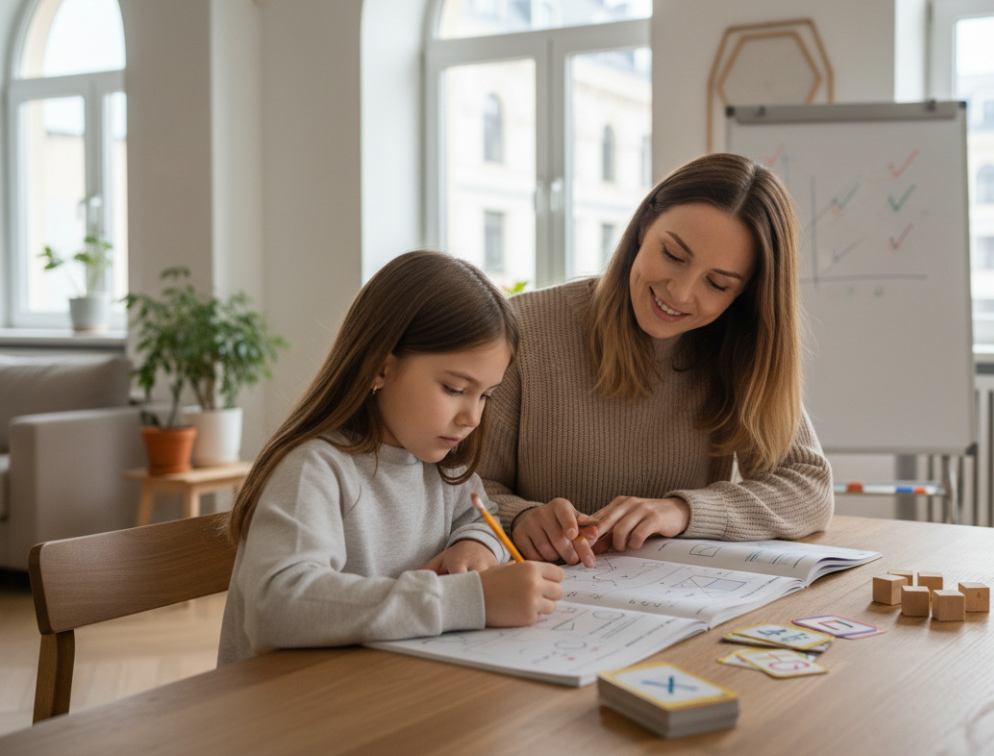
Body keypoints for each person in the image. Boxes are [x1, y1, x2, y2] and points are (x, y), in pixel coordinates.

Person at [479, 152, 834, 568]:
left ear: (745, 294)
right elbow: (458, 485)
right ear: (645, 224)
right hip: (538, 597)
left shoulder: (736, 348)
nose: (681, 294)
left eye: (717, 284)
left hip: (673, 604)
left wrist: (682, 511)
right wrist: (518, 516)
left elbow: (809, 488)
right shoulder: (523, 329)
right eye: (673, 255)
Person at [218, 251, 564, 666]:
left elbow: (479, 516)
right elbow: (277, 605)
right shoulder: (313, 469)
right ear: (379, 368)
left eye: (486, 395)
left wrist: (477, 545)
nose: (472, 416)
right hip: (289, 712)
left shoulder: (444, 464)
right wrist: (468, 600)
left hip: (387, 688)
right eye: (455, 388)